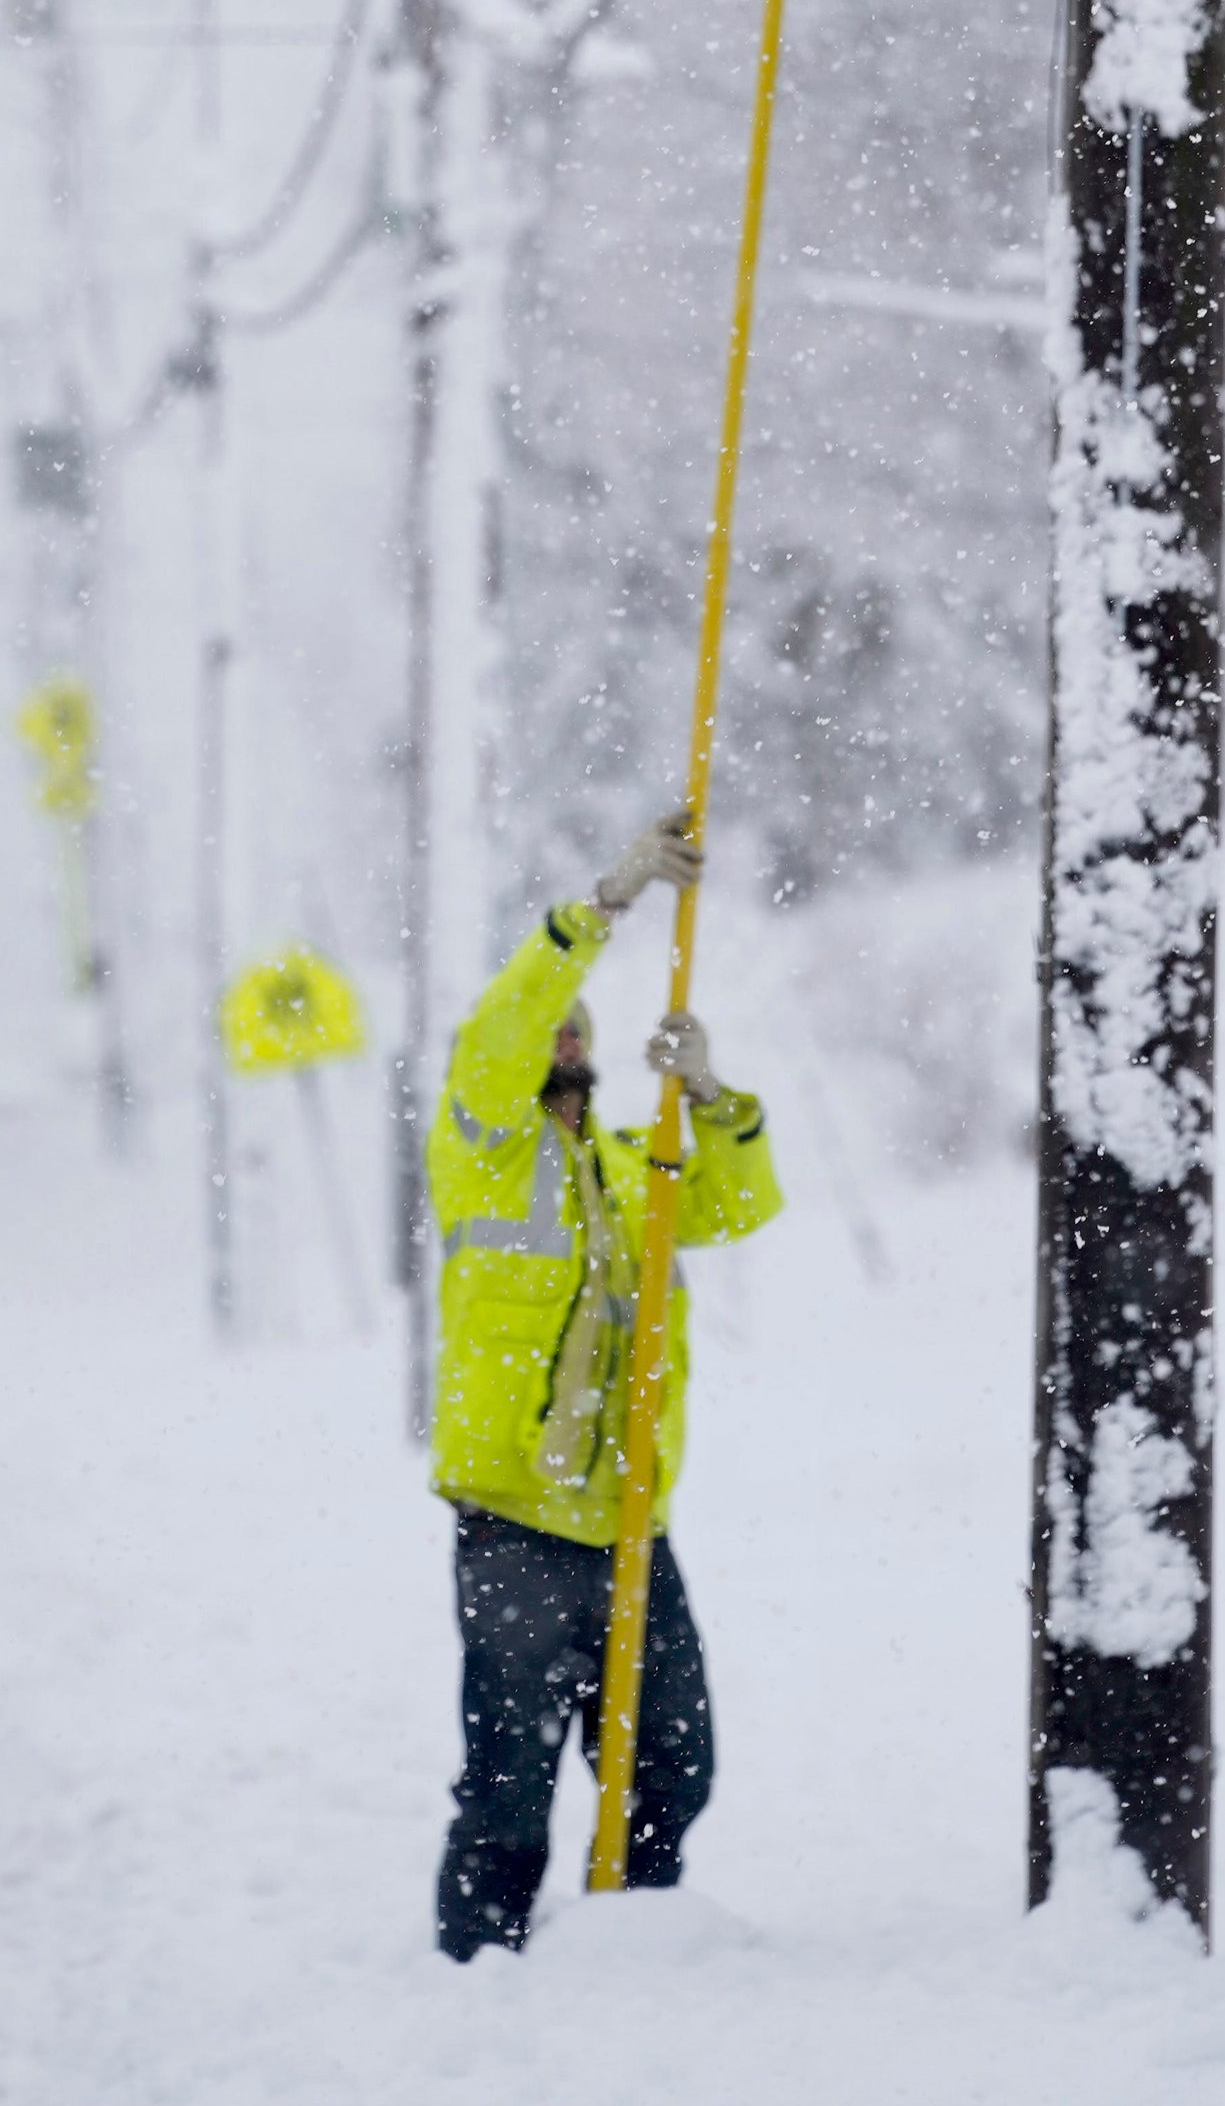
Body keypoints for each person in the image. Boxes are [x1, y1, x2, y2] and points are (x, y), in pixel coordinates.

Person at [428, 806, 782, 1959]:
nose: (568, 1039)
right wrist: (609, 902)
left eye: (580, 1029)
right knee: (510, 1787)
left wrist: (716, 1096)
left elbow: (737, 1207)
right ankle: (478, 1972)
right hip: (519, 1525)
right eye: (552, 1026)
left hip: (633, 1522)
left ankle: (630, 1948)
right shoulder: (478, 1137)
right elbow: (504, 1018)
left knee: (671, 1761)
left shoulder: (635, 1165)